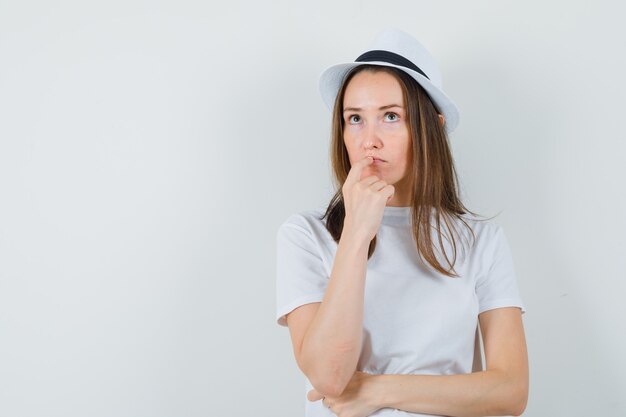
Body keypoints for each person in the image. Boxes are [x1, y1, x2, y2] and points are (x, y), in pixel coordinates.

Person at [275, 28, 529, 417]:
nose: (368, 140)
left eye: (391, 116)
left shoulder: (481, 241)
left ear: (432, 126)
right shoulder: (306, 235)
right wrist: (358, 231)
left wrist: (376, 390)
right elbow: (328, 377)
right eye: (355, 118)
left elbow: (510, 392)